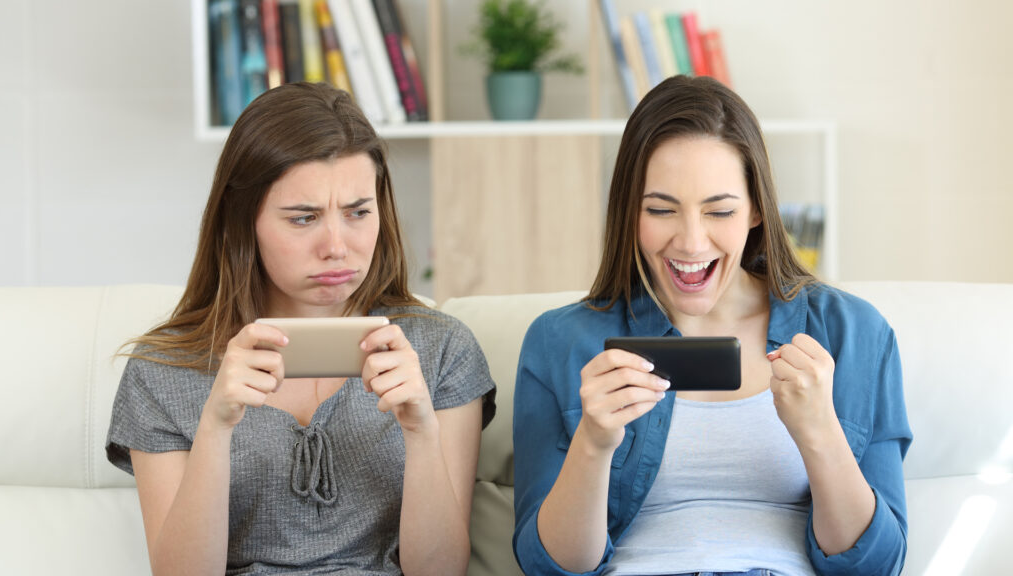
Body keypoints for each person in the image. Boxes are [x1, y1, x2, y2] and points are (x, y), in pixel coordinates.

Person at [512, 75, 911, 576]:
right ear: (628, 212)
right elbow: (546, 567)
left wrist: (821, 435)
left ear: (757, 211)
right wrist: (593, 443)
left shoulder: (855, 332)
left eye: (719, 210)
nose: (692, 243)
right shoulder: (559, 342)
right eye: (661, 209)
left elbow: (877, 566)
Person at [106, 82, 496, 576]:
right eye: (303, 218)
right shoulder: (162, 370)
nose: (337, 246)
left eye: (358, 213)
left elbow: (441, 573)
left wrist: (421, 432)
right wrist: (215, 427)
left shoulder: (441, 349)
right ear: (242, 221)